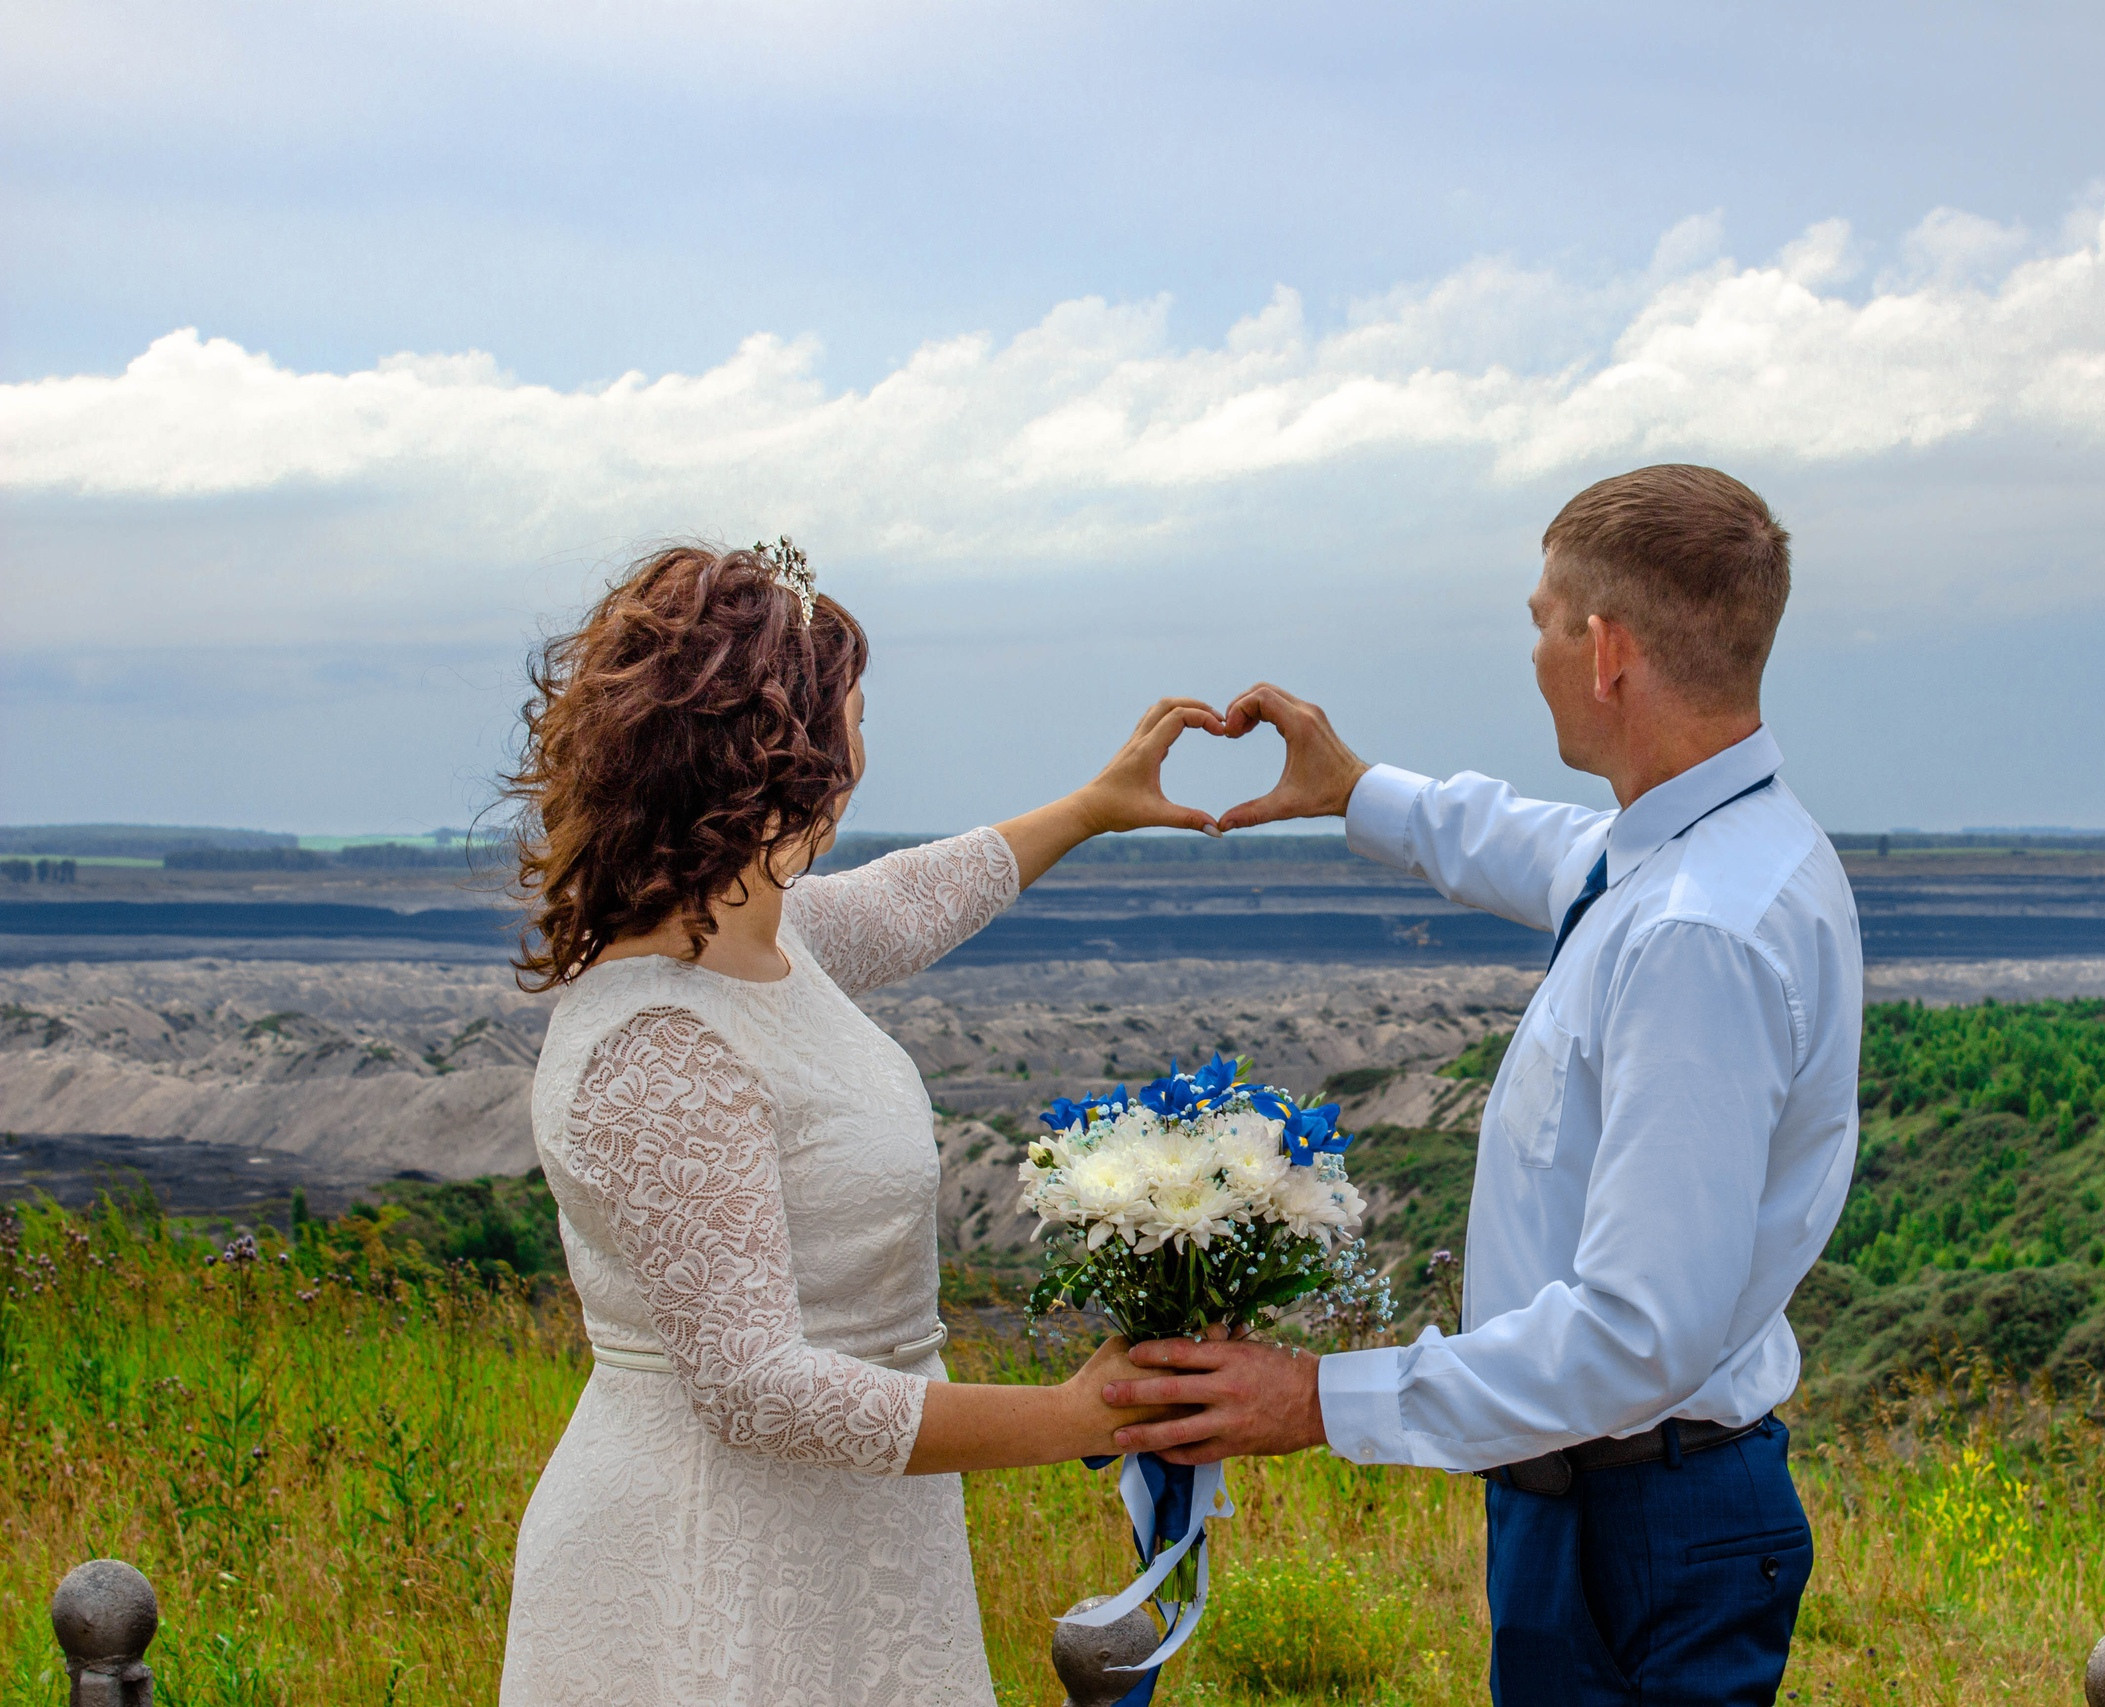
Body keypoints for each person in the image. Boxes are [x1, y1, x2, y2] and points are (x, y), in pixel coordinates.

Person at [1102, 466, 1864, 1707]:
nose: (1534, 650)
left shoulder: (1695, 936)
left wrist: (1316, 1398)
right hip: (1615, 1498)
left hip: (1640, 1528)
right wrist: (1356, 789)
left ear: (1604, 650)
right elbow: (1554, 850)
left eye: (1541, 621)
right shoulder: (1717, 849)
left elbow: (1636, 1334)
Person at [497, 541, 1205, 1706]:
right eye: (855, 721)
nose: (866, 754)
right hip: (715, 1558)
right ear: (790, 756)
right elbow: (756, 1390)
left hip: (845, 1532)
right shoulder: (659, 1043)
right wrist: (1074, 1417)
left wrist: (1090, 809)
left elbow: (913, 898)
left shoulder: (769, 945)